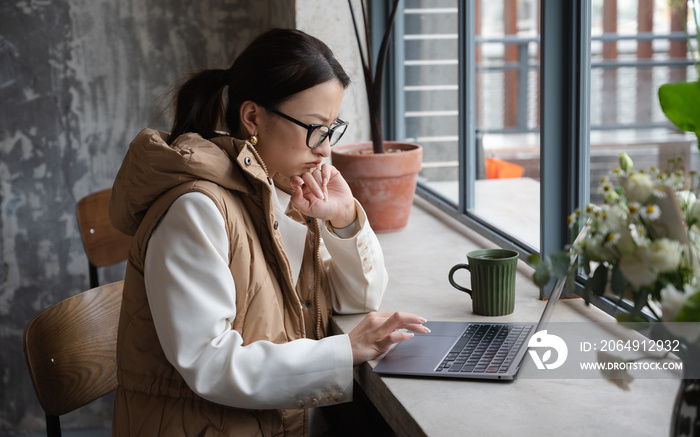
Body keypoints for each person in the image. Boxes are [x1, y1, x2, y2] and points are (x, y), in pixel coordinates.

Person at [108, 28, 429, 436]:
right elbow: (209, 364)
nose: (326, 149)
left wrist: (344, 217)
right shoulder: (195, 211)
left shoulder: (279, 190)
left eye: (331, 129)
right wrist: (343, 350)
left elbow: (356, 299)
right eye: (314, 128)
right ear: (253, 117)